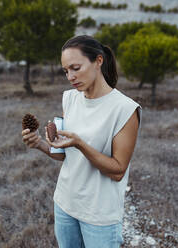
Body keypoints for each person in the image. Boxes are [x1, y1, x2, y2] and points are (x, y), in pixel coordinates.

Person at [21, 35, 142, 248]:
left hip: (99, 215)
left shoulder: (124, 109)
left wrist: (80, 144)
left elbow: (118, 170)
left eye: (76, 68)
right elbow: (63, 155)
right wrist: (39, 143)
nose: (70, 76)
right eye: (66, 71)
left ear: (98, 61)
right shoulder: (69, 98)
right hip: (65, 204)